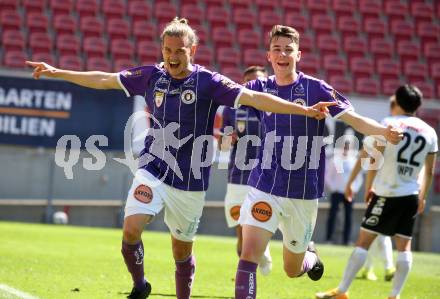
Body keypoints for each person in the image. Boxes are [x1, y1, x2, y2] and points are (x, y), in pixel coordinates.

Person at [26, 18, 336, 299]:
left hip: (190, 182)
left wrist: (303, 110)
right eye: (167, 50)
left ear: (193, 49)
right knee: (131, 229)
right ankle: (140, 284)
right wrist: (59, 73)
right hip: (153, 167)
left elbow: (254, 98)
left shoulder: (209, 82)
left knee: (181, 249)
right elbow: (105, 79)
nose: (172, 57)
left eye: (179, 51)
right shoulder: (150, 76)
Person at [233, 25, 403, 299]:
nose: (282, 54)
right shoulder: (258, 87)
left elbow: (352, 118)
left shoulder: (315, 88)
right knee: (248, 256)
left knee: (292, 269)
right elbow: (225, 97)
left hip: (302, 193)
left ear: (298, 55)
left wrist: (383, 131)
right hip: (264, 185)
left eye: (289, 49)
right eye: (277, 49)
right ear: (268, 56)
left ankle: (309, 258)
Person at [316, 85, 438, 299]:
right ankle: (395, 295)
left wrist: (367, 184)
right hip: (411, 194)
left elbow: (372, 158)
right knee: (404, 245)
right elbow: (430, 171)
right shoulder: (430, 132)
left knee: (363, 242)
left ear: (397, 103)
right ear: (418, 105)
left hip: (386, 193)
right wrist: (423, 196)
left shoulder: (389, 124)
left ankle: (342, 291)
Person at [220, 66, 272, 276]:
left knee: (261, 223)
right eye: (249, 81)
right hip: (238, 176)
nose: (254, 85)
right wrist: (226, 139)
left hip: (266, 176)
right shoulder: (231, 109)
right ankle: (246, 276)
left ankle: (263, 250)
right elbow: (222, 146)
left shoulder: (274, 108)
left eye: (259, 81)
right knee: (241, 232)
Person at [345, 148, 395, 282]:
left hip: (386, 190)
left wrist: (351, 182)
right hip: (383, 190)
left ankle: (370, 268)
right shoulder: (389, 132)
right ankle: (387, 268)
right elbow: (364, 154)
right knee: (378, 231)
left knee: (375, 231)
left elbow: (364, 154)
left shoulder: (386, 132)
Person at [325, 141, 362, 245]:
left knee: (348, 217)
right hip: (337, 192)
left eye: (348, 147)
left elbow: (358, 178)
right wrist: (333, 188)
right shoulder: (335, 160)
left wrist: (354, 189)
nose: (346, 149)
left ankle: (346, 241)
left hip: (349, 193)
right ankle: (329, 239)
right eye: (344, 146)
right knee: (332, 215)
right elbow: (328, 176)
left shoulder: (354, 161)